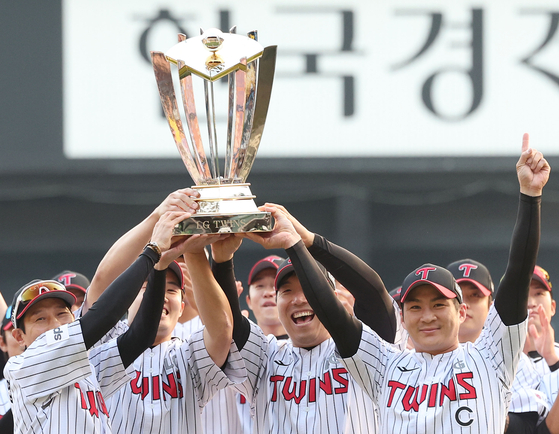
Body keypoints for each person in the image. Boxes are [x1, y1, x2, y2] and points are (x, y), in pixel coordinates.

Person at [247, 133, 548, 433]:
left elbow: (518, 273)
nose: (427, 315)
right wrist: (296, 244)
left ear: (462, 312)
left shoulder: (489, 357)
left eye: (439, 304)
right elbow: (334, 314)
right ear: (402, 317)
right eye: (415, 306)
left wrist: (530, 195)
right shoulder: (387, 366)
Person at [208, 215, 398, 433]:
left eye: (309, 289)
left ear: (331, 297)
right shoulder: (265, 355)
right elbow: (227, 323)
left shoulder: (362, 351)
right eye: (287, 291)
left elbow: (373, 296)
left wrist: (307, 242)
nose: (298, 299)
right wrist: (221, 260)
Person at [4, 210, 190, 433]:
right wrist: (151, 252)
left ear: (73, 316)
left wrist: (159, 267)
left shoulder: (85, 366)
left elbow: (141, 336)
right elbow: (103, 316)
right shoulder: (23, 368)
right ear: (19, 336)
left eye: (61, 314)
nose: (55, 324)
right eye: (40, 318)